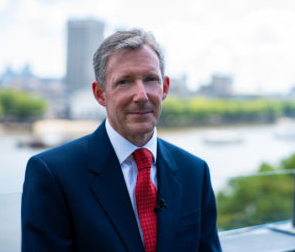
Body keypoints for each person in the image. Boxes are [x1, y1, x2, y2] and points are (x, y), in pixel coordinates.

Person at [21, 29, 222, 252]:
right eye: (124, 82)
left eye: (150, 80)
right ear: (100, 93)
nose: (141, 95)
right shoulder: (53, 175)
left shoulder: (195, 172)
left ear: (164, 88)